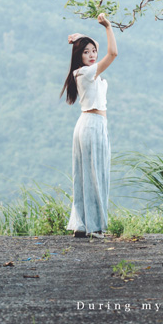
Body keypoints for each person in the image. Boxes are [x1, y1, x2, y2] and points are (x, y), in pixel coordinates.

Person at [62, 13, 118, 239]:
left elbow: (93, 47)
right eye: (86, 52)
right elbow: (113, 53)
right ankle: (94, 227)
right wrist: (108, 26)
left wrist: (83, 37)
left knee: (86, 175)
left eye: (93, 51)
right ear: (79, 56)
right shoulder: (85, 72)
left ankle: (83, 225)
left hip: (89, 124)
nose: (92, 54)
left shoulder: (81, 72)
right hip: (92, 125)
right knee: (96, 175)